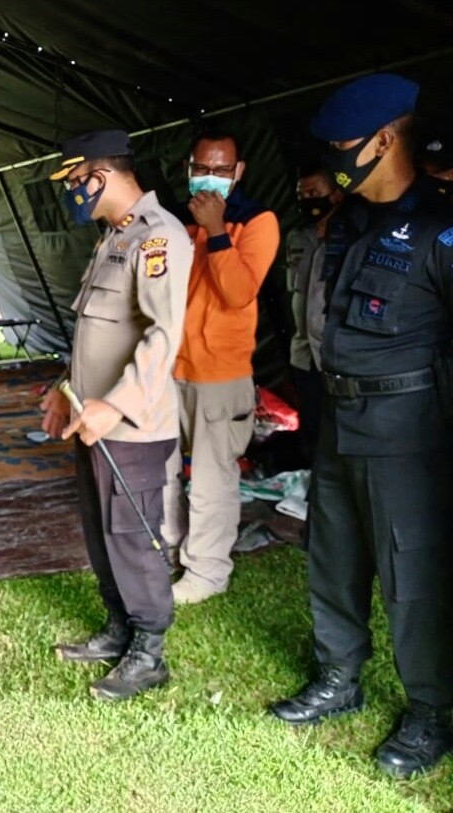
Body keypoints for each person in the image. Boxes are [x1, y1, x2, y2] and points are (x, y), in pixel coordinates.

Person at [268, 73, 453, 780]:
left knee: (414, 574)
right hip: (340, 418)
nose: (333, 159)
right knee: (332, 556)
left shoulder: (440, 228)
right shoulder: (345, 223)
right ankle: (338, 677)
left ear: (385, 138)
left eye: (343, 145)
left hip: (410, 430)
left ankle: (430, 709)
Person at [40, 130, 193, 701]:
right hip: (93, 421)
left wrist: (116, 404)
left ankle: (149, 651)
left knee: (132, 535)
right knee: (101, 532)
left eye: (76, 181)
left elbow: (162, 336)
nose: (73, 192)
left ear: (100, 176)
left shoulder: (160, 238)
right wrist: (66, 389)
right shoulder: (115, 239)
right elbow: (96, 335)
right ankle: (119, 628)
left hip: (132, 425)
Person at [165, 130, 280, 605]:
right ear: (188, 170)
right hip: (173, 370)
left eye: (220, 169)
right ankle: (164, 551)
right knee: (162, 470)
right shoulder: (177, 223)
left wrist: (216, 232)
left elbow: (238, 293)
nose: (209, 178)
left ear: (239, 173)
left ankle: (207, 572)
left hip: (221, 375)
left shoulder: (257, 222)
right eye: (201, 169)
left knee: (212, 479)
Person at [286, 166, 344, 466]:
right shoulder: (297, 236)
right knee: (312, 428)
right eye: (301, 196)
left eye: (314, 193)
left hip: (335, 355)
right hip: (304, 354)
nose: (307, 201)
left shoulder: (350, 236)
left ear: (336, 194)